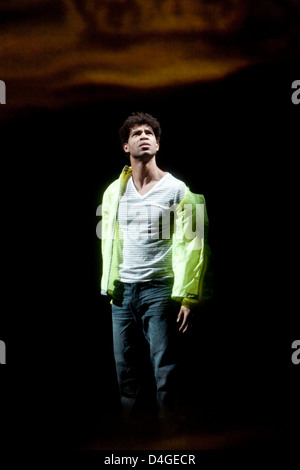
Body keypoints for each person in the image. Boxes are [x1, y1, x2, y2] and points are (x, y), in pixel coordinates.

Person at [100, 112, 210, 442]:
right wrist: (111, 285)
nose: (144, 136)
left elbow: (195, 244)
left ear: (157, 143)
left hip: (159, 293)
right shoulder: (113, 193)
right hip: (122, 295)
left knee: (167, 375)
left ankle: (175, 446)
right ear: (125, 146)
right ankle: (134, 447)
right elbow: (109, 241)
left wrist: (189, 296)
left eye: (150, 132)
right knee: (127, 378)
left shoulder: (177, 190)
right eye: (137, 133)